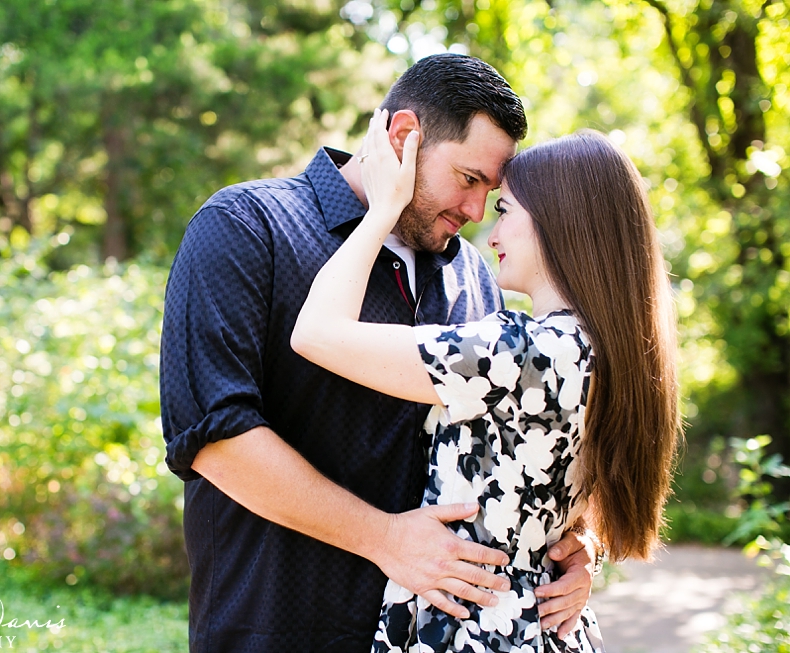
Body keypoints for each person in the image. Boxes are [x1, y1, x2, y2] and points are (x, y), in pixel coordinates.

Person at [160, 54, 598, 652]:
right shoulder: (245, 226)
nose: (476, 212)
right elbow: (215, 438)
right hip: (277, 629)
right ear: (403, 136)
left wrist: (578, 543)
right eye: (468, 179)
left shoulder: (474, 275)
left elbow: (531, 439)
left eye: (491, 193)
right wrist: (384, 538)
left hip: (430, 635)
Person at [291, 110, 681, 651]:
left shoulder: (516, 351)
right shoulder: (607, 351)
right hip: (544, 627)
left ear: (560, 222)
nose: (490, 231)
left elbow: (315, 333)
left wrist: (382, 210)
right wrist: (583, 547)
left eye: (505, 210)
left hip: (477, 627)